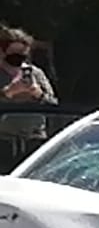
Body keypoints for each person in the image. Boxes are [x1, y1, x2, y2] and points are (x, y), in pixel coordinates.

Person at [0, 27, 57, 170]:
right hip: (4, 142)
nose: (19, 58)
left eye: (23, 54)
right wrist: (8, 92)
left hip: (35, 142)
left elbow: (54, 104)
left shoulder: (36, 74)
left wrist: (38, 94)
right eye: (14, 53)